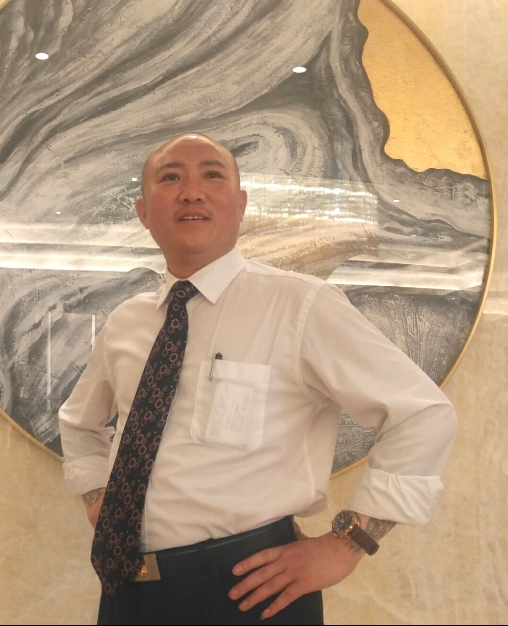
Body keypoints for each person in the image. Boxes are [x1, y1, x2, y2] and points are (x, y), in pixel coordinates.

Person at [58, 132, 457, 625]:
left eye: (212, 175)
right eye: (170, 177)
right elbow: (79, 422)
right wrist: (96, 494)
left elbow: (422, 414)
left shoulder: (300, 305)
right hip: (126, 592)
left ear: (241, 204)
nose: (191, 192)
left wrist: (348, 543)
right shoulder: (127, 322)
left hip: (250, 592)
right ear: (143, 212)